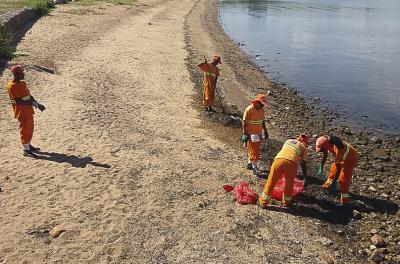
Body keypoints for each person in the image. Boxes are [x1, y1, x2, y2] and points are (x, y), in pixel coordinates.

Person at [258, 134, 309, 208]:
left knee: (271, 181)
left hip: (278, 160)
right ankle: (286, 202)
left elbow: (285, 152)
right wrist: (305, 177)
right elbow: (303, 163)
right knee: (289, 184)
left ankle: (263, 202)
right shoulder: (303, 147)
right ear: (305, 143)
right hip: (291, 163)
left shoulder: (288, 141)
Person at [6, 65, 45, 158]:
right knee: (25, 129)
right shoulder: (12, 86)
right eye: (21, 73)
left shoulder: (22, 83)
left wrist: (36, 103)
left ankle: (29, 145)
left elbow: (28, 95)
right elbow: (19, 100)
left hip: (28, 110)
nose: (23, 75)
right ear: (15, 74)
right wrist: (33, 104)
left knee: (30, 128)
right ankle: (26, 150)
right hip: (22, 111)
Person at [315, 135, 359, 205]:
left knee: (343, 180)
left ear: (326, 146)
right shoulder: (329, 142)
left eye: (321, 149)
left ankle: (345, 200)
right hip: (340, 158)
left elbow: (339, 169)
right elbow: (325, 154)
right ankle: (327, 186)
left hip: (350, 160)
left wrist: (334, 182)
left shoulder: (340, 150)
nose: (320, 151)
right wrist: (321, 166)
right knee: (332, 172)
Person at [242, 94, 269, 176]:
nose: (262, 106)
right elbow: (244, 122)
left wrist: (266, 131)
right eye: (261, 104)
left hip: (258, 133)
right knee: (255, 150)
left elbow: (262, 121)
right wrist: (244, 133)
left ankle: (250, 163)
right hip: (251, 133)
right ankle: (255, 167)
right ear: (257, 102)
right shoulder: (249, 109)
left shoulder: (261, 110)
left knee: (252, 149)